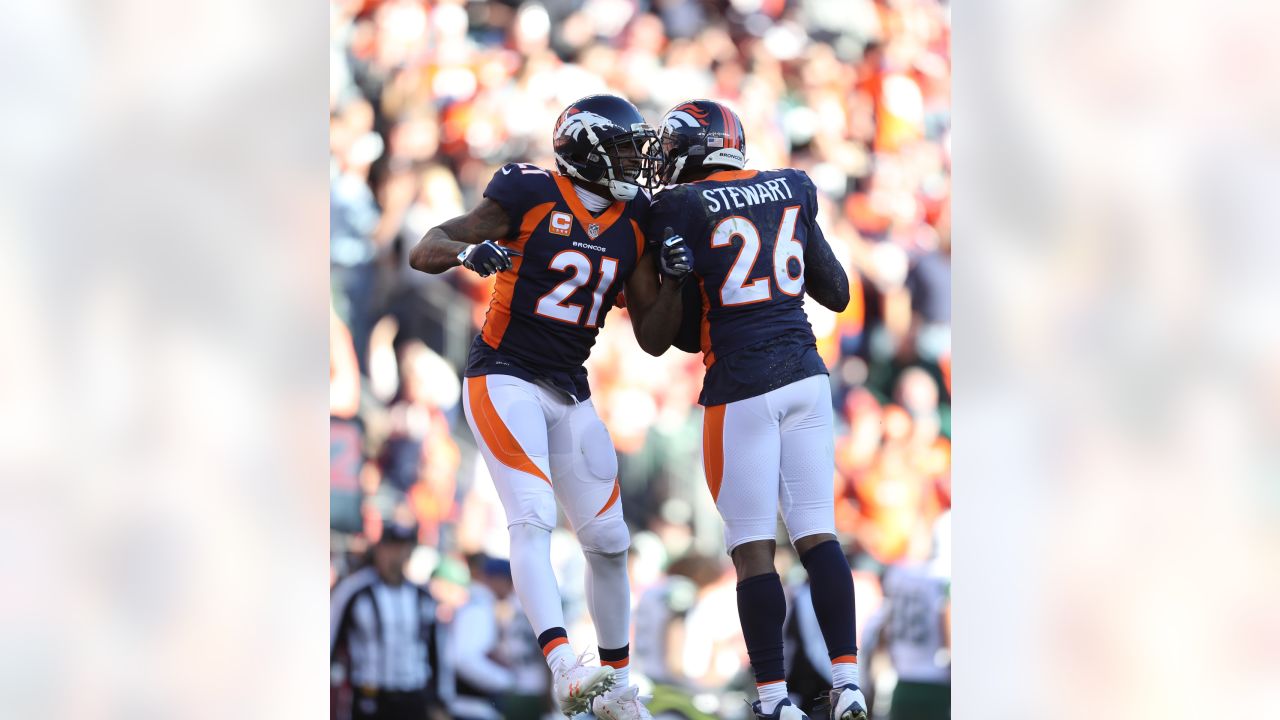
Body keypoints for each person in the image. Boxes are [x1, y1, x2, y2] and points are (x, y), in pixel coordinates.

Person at [409, 93, 670, 719]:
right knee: (531, 518)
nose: (637, 161)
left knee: (609, 539)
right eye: (627, 148)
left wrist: (677, 278)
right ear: (589, 151)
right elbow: (428, 246)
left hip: (569, 387)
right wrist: (468, 253)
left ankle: (618, 685)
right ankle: (562, 667)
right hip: (503, 375)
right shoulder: (528, 192)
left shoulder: (634, 219)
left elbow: (657, 338)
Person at [631, 99, 868, 720]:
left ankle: (774, 700)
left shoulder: (675, 206)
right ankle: (847, 683)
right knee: (819, 535)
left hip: (742, 385)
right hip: (809, 379)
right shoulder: (791, 187)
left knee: (751, 549)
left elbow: (663, 339)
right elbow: (837, 292)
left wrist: (682, 279)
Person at [330, 521, 453, 720]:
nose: (395, 555)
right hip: (370, 695)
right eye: (390, 548)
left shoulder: (423, 597)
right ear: (379, 550)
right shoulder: (355, 591)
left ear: (410, 552)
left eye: (402, 548)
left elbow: (437, 651)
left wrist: (441, 700)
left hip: (412, 695)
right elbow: (330, 638)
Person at [861, 513, 951, 720]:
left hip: (902, 682)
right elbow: (948, 628)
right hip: (936, 684)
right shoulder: (941, 578)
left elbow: (881, 630)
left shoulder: (896, 575)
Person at [451, 556, 548, 720]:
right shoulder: (478, 609)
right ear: (495, 580)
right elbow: (465, 659)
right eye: (509, 581)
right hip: (471, 706)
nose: (511, 588)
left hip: (475, 704)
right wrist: (506, 681)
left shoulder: (482, 605)